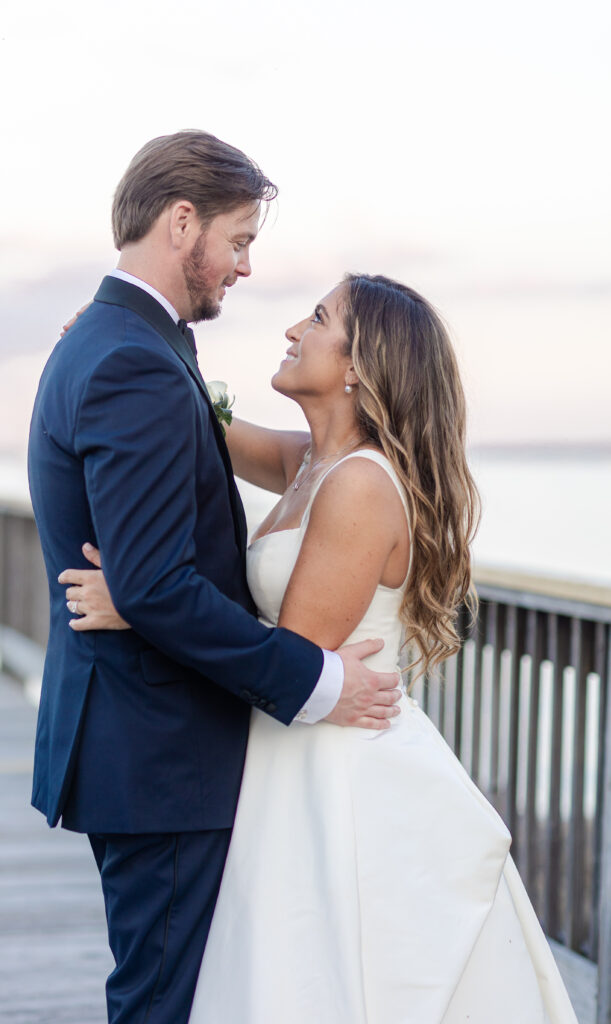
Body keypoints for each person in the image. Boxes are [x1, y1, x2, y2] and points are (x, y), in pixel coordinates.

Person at [65, 274, 579, 1022]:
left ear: (355, 367)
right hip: (292, 751)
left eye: (317, 318)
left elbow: (288, 653)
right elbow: (196, 418)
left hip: (341, 771)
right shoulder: (308, 460)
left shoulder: (361, 486)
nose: (291, 331)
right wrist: (123, 334)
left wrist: (139, 605)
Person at [27, 131, 402, 1024]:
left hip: (150, 746)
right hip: (165, 756)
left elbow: (153, 577)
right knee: (164, 1004)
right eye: (237, 241)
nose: (242, 268)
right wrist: (316, 681)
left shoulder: (121, 344)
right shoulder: (132, 360)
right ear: (181, 221)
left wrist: (143, 598)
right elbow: (157, 582)